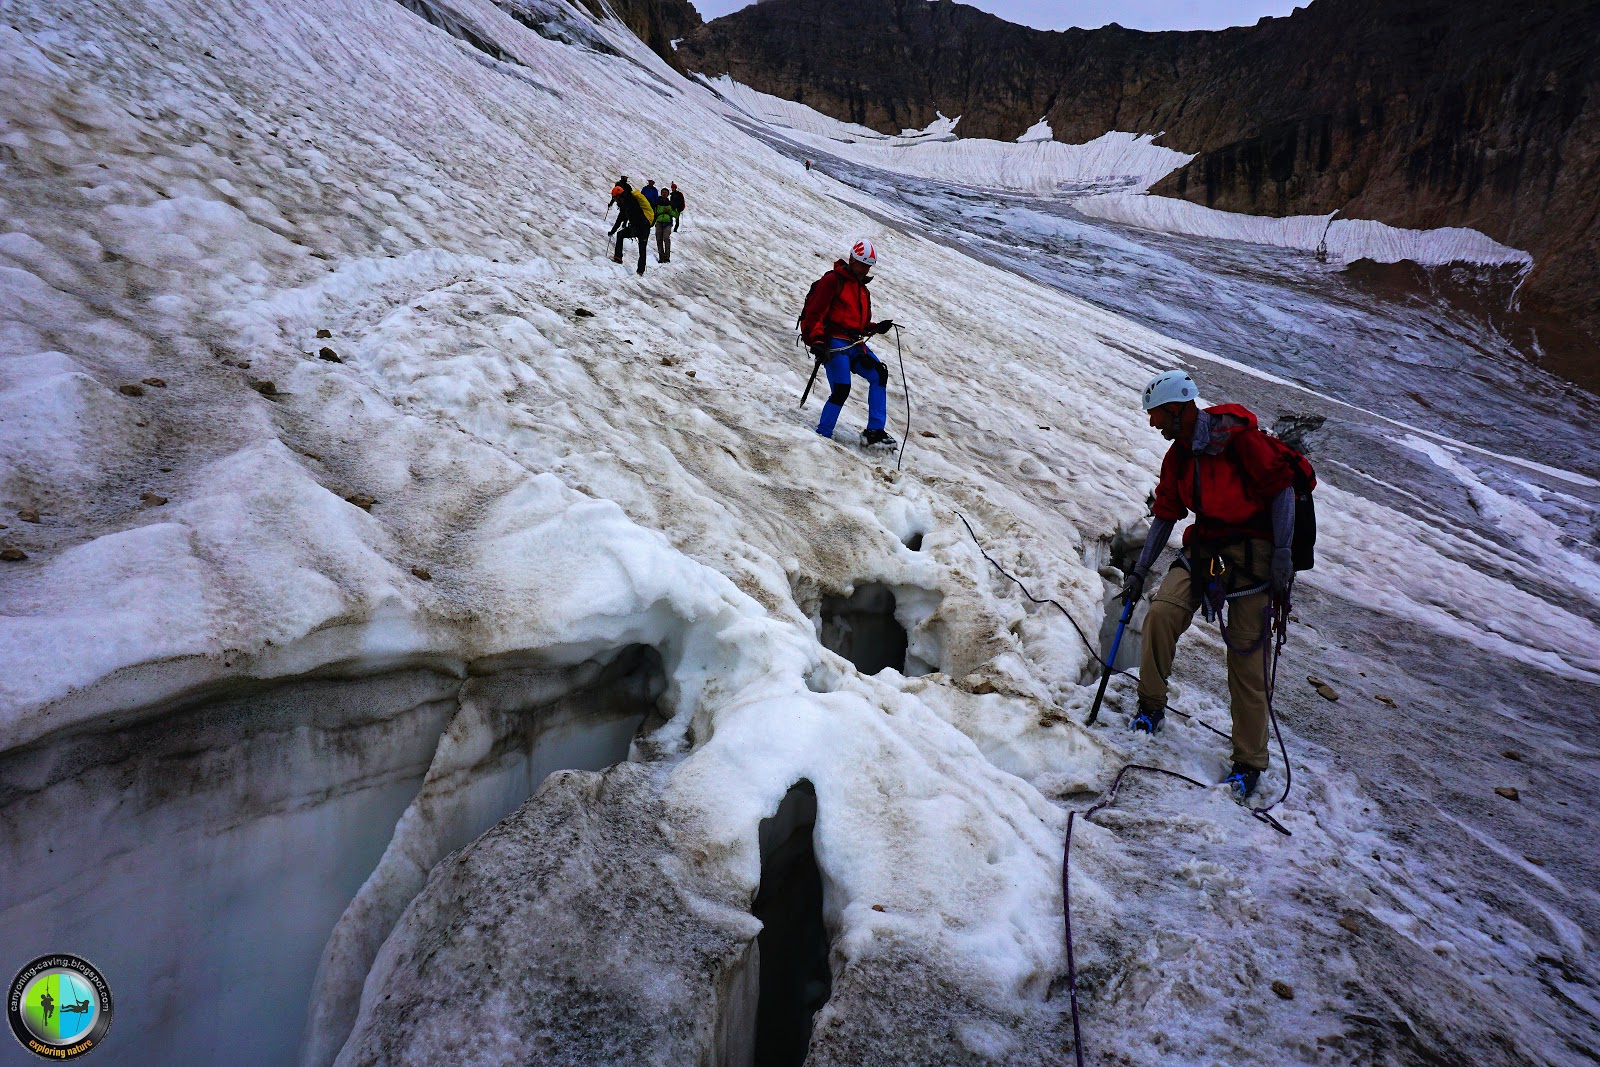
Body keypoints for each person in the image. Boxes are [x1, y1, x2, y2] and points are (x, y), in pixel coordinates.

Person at [1119, 370, 1299, 800]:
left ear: (1180, 409)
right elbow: (1166, 512)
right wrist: (1141, 571)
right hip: (1207, 551)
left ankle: (1249, 762)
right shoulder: (1179, 456)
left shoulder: (1242, 443)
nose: (1153, 424)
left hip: (1254, 561)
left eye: (1158, 415)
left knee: (1247, 664)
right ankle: (1150, 706)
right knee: (1162, 612)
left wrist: (1282, 554)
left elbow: (1283, 491)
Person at [800, 239, 897, 447]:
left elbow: (857, 324)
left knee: (879, 374)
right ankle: (823, 435)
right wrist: (817, 339)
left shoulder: (862, 289)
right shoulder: (833, 281)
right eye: (862, 264)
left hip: (853, 345)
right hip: (834, 344)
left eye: (868, 266)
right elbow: (814, 314)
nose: (864, 270)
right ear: (852, 259)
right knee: (842, 389)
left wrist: (874, 327)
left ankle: (875, 431)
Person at [608, 181, 651, 275]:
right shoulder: (625, 204)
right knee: (642, 248)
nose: (615, 201)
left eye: (615, 198)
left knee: (640, 247)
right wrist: (612, 231)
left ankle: (638, 270)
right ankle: (639, 270)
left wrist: (632, 226)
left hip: (642, 227)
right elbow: (620, 219)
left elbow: (636, 215)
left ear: (619, 196)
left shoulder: (630, 202)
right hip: (641, 228)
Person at [653, 196, 677, 262]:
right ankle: (662, 257)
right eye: (663, 192)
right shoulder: (657, 204)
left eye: (665, 192)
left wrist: (669, 212)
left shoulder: (670, 204)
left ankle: (666, 257)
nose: (664, 193)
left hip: (667, 223)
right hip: (659, 223)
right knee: (659, 239)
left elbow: (676, 215)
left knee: (666, 238)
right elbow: (654, 214)